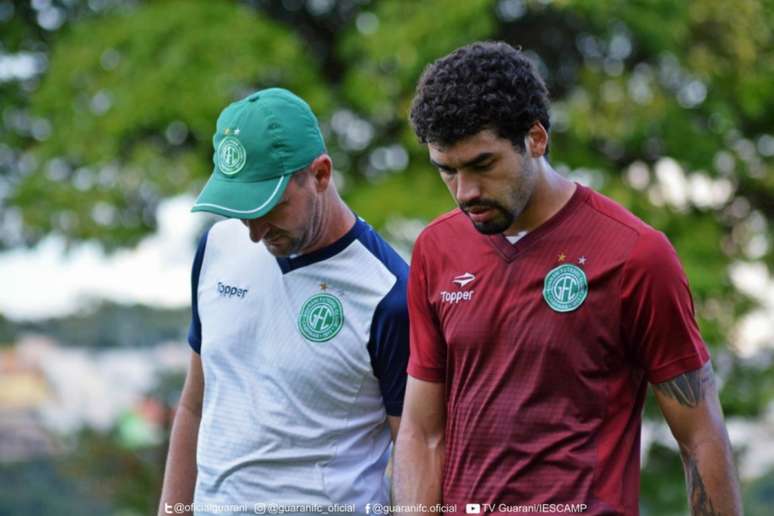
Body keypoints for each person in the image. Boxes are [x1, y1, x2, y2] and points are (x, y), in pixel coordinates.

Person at [393, 41, 742, 516]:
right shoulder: (436, 250)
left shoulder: (635, 255)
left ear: (536, 139)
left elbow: (700, 435)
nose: (465, 191)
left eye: (483, 164)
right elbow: (421, 432)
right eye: (447, 171)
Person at [158, 88, 409, 516]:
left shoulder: (389, 294)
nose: (255, 232)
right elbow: (194, 405)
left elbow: (415, 449)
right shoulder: (217, 246)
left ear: (321, 174)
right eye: (242, 210)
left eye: (269, 206)